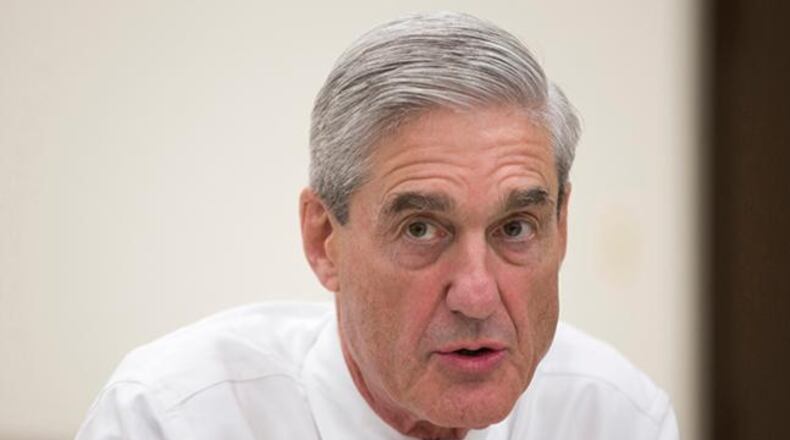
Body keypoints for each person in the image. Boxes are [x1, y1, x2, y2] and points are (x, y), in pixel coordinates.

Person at [76, 12, 678, 440]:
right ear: (323, 239)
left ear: (561, 227)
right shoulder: (170, 420)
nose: (476, 294)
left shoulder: (614, 417)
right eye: (421, 229)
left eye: (515, 228)